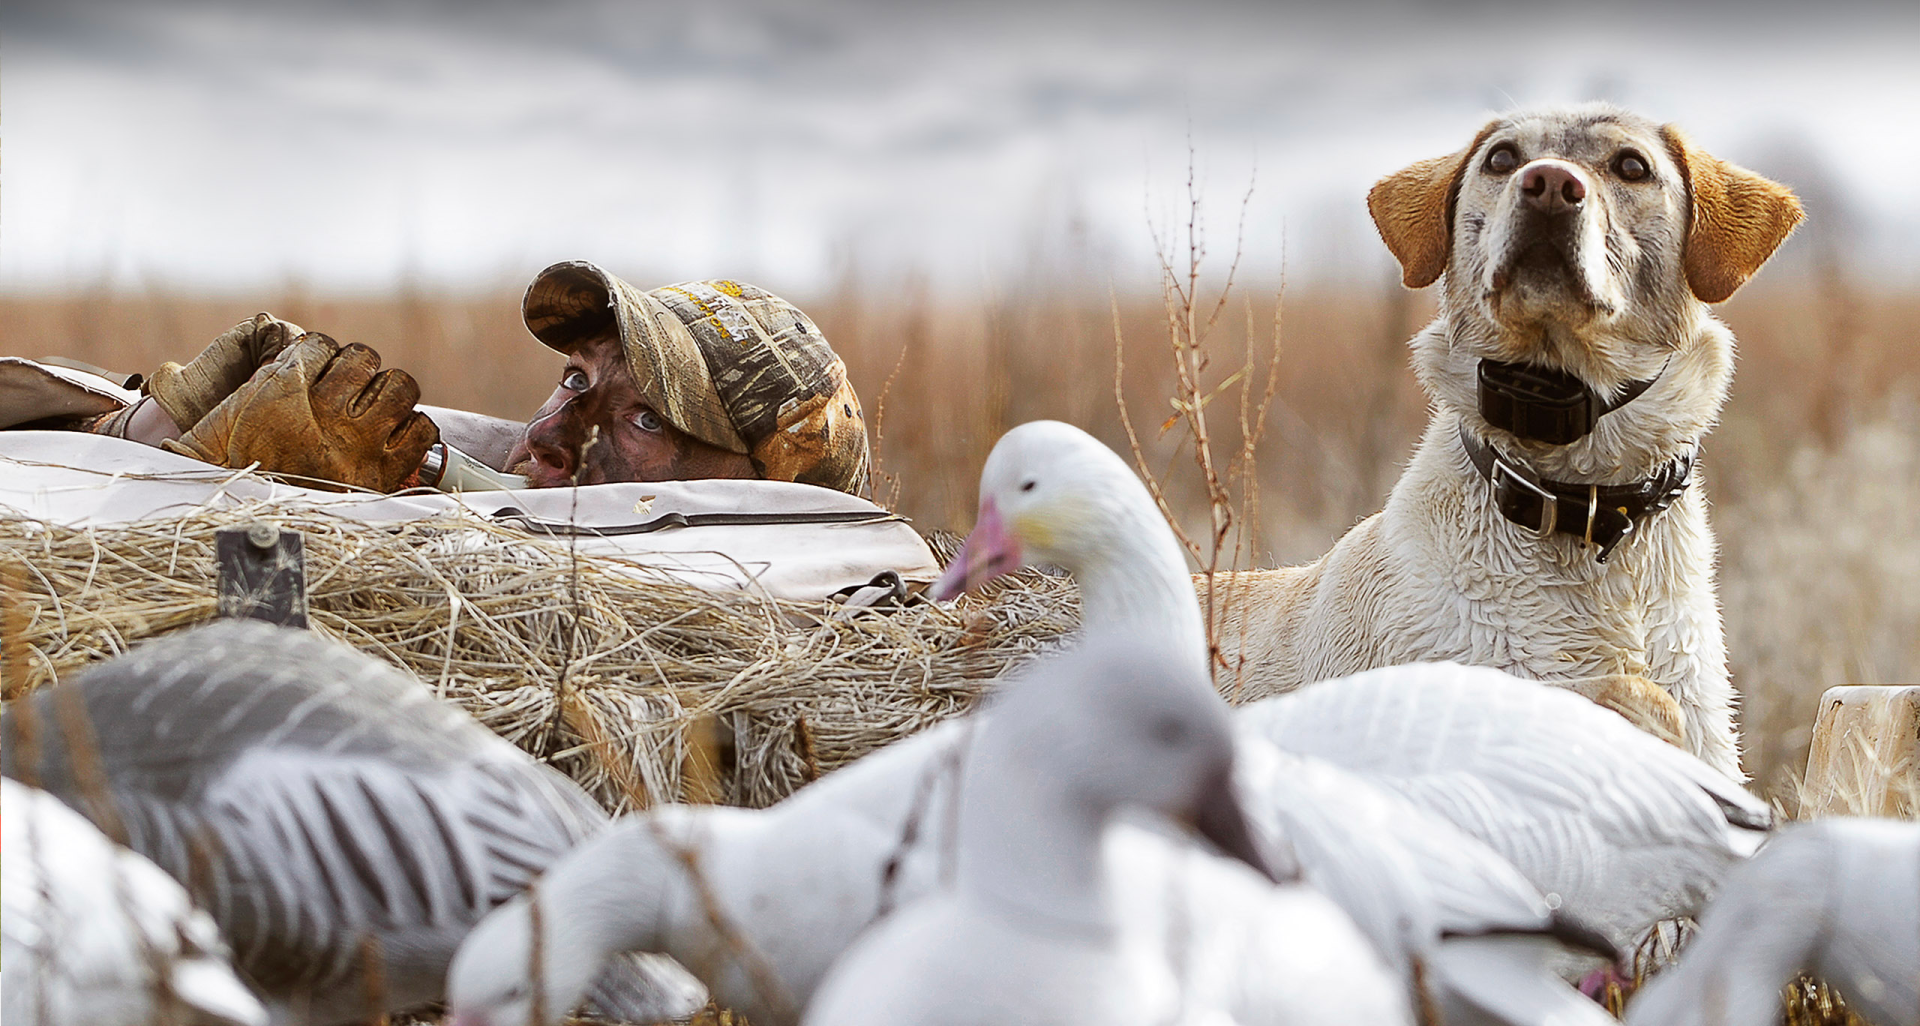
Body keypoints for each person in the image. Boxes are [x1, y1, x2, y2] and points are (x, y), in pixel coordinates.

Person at [23, 261, 870, 496]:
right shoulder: (463, 463)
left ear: (762, 490)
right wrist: (148, 429)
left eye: (645, 421)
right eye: (576, 382)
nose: (548, 435)